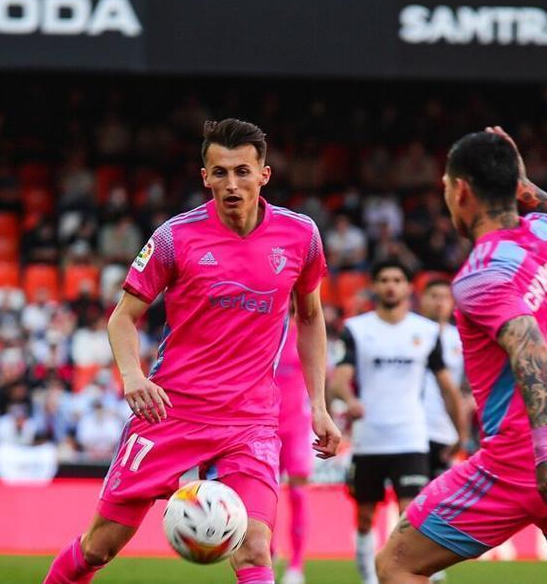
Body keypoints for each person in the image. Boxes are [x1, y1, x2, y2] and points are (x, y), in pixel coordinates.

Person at [43, 119, 342, 584]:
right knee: (99, 548)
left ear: (265, 174)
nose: (231, 184)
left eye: (243, 171)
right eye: (219, 173)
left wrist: (318, 405)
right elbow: (122, 317)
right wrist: (134, 377)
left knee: (255, 548)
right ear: (205, 177)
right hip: (171, 412)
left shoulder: (300, 237)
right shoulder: (174, 238)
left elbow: (310, 317)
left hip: (249, 421)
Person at [377, 129, 547, 583]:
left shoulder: (483, 273)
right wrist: (531, 190)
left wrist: (544, 451)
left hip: (525, 460)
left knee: (397, 564)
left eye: (447, 187)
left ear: (461, 190)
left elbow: (532, 349)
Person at [331, 260, 468, 584]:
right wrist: (349, 401)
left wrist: (460, 432)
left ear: (408, 288)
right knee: (365, 518)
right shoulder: (358, 328)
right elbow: (339, 380)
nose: (390, 285)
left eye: (397, 280)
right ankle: (368, 578)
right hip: (369, 439)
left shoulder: (425, 331)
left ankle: (413, 574)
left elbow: (448, 387)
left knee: (412, 516)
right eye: (383, 279)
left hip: (410, 437)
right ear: (375, 286)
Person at [274, 300, 315, 584]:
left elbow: (320, 378)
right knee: (264, 493)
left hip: (297, 427)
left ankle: (296, 565)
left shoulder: (305, 331)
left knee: (298, 493)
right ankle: (268, 550)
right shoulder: (259, 331)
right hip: (264, 425)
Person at [419, 278, 467, 483]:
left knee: (437, 497)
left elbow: (468, 387)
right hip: (413, 426)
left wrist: (462, 428)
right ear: (422, 300)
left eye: (445, 298)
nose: (440, 302)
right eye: (434, 296)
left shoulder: (462, 339)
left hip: (444, 429)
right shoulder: (411, 331)